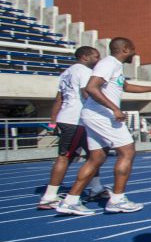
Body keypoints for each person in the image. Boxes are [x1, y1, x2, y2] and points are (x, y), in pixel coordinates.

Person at [54, 38, 151, 216]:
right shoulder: (109, 63)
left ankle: (70, 201)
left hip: (94, 115)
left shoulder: (114, 66)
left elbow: (125, 86)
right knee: (127, 151)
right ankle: (117, 200)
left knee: (96, 158)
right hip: (101, 116)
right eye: (133, 49)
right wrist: (115, 109)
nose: (135, 53)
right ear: (125, 49)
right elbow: (92, 88)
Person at [37, 46, 108, 209]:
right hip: (75, 121)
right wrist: (108, 109)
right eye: (96, 57)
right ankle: (49, 197)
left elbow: (58, 100)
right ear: (84, 57)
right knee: (65, 157)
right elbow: (87, 94)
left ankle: (96, 188)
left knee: (95, 155)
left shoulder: (65, 74)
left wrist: (53, 121)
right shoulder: (83, 71)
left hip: (71, 119)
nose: (98, 60)